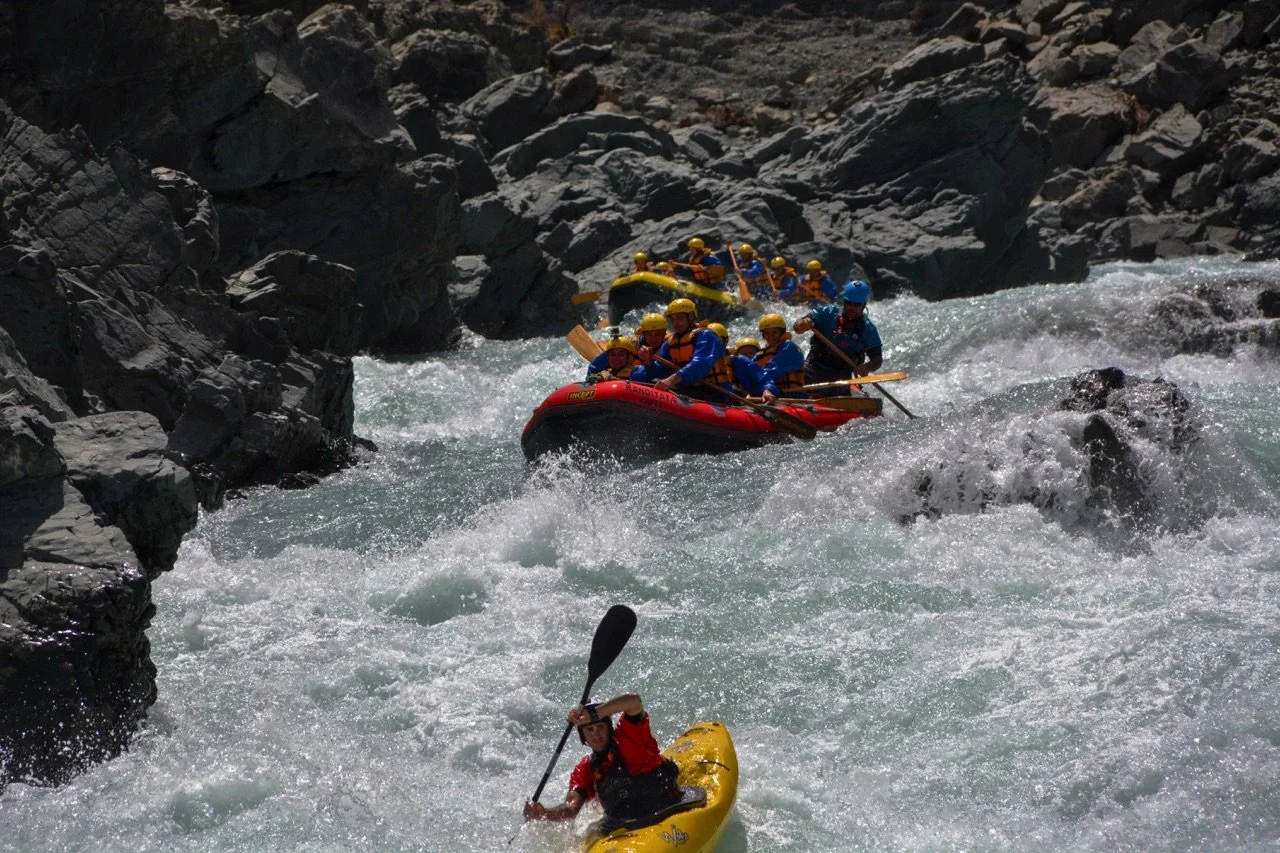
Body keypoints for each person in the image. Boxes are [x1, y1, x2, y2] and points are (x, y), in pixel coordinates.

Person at [522, 693, 680, 827]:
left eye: (600, 727)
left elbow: (634, 701)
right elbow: (571, 809)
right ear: (583, 737)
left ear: (609, 728)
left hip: (667, 808)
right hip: (624, 826)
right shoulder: (585, 769)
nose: (596, 734)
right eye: (589, 729)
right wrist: (544, 813)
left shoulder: (629, 738)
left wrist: (595, 715)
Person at [793, 280, 883, 395]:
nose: (851, 307)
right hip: (812, 369)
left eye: (856, 305)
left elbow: (877, 360)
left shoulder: (868, 329)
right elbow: (797, 327)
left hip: (839, 380)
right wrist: (802, 324)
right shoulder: (827, 313)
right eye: (848, 303)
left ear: (864, 305)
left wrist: (868, 367)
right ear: (844, 301)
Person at [646, 298, 725, 400]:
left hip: (714, 392)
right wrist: (649, 362)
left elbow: (701, 364)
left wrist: (672, 379)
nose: (676, 323)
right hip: (689, 388)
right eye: (673, 319)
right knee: (652, 382)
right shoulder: (670, 342)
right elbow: (661, 368)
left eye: (680, 318)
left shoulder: (707, 336)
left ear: (691, 316)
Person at [706, 323, 779, 400]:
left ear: (726, 341)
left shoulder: (739, 361)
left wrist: (767, 390)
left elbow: (763, 378)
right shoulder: (700, 362)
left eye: (715, 341)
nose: (712, 345)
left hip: (734, 400)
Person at [755, 313, 808, 395]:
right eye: (767, 333)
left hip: (794, 398)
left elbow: (773, 370)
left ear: (781, 332)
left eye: (774, 332)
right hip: (771, 396)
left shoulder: (789, 348)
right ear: (763, 335)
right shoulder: (760, 354)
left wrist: (761, 385)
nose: (771, 336)